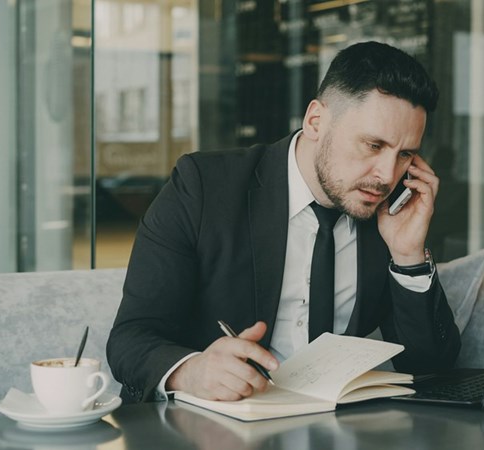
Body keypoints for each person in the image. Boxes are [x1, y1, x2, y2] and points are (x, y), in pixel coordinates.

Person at [107, 41, 460, 404]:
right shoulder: (204, 188)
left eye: (405, 154)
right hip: (212, 426)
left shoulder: (385, 214)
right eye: (373, 146)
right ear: (316, 121)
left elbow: (431, 365)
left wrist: (408, 256)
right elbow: (131, 338)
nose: (387, 175)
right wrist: (190, 370)